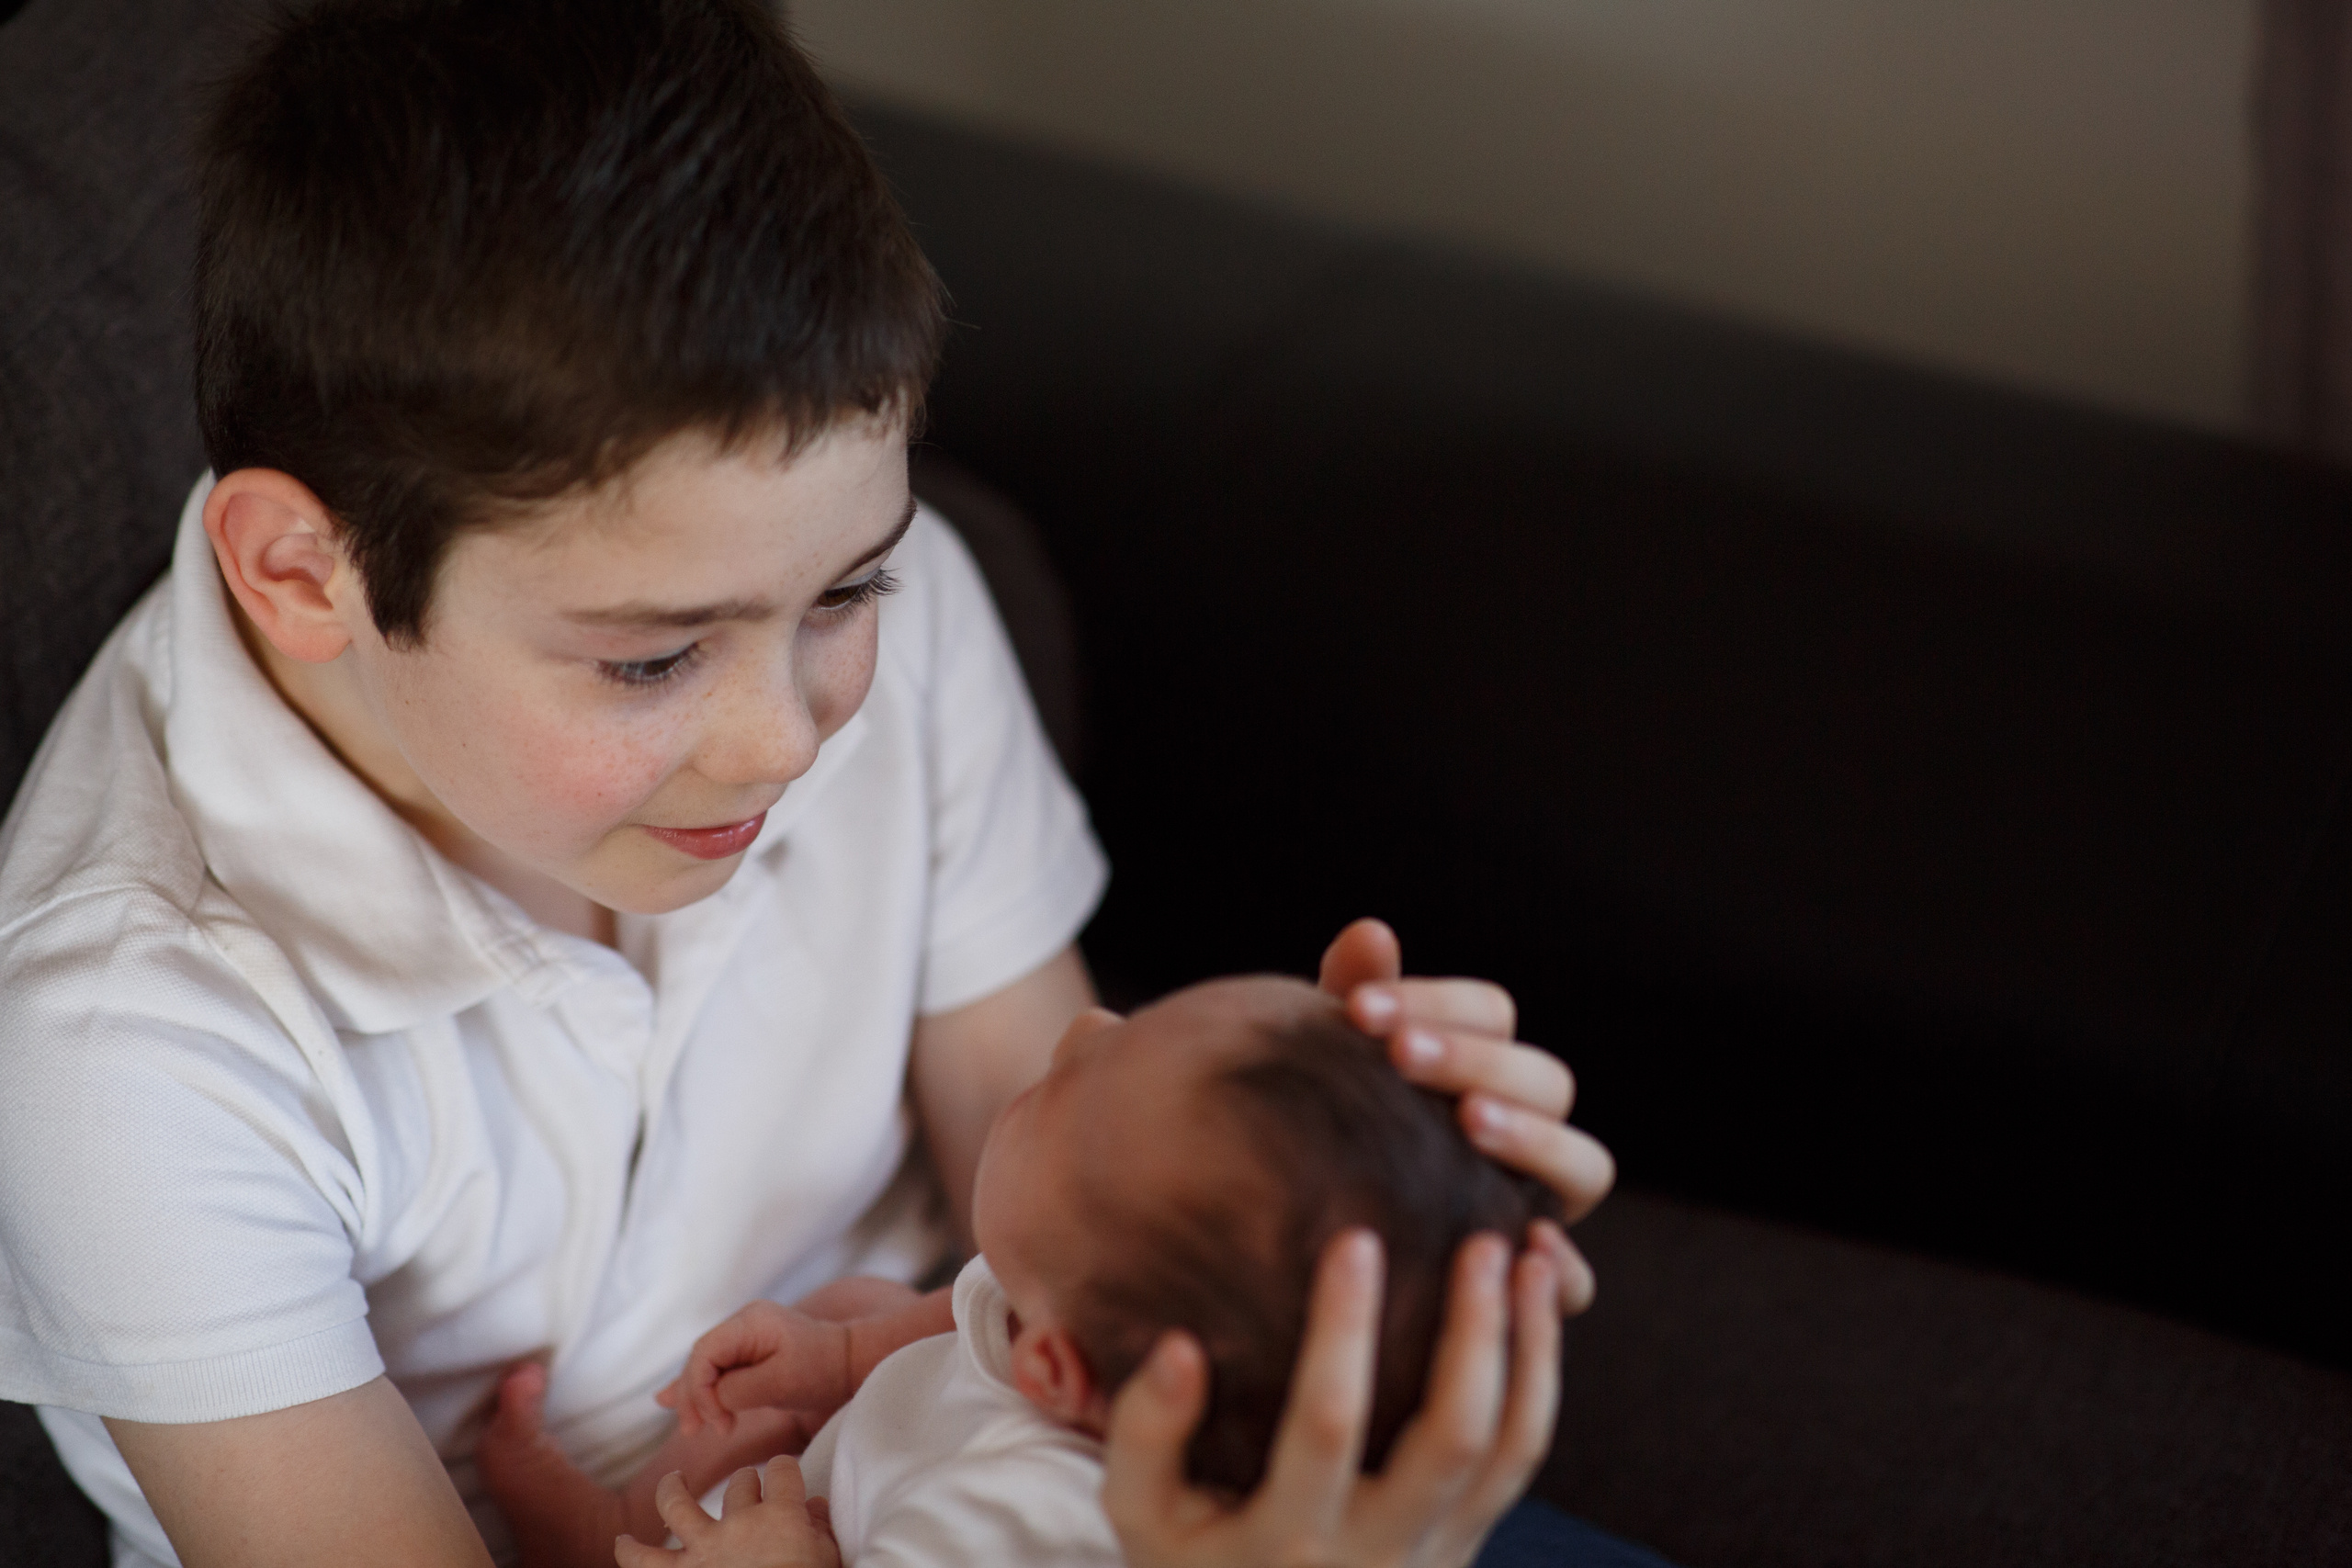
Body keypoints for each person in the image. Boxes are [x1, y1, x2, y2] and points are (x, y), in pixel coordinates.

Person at [0, 3, 1616, 1566]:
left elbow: (1041, 1175)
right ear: (303, 570)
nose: (793, 739)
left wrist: (1334, 1216)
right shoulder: (128, 1037)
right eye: (651, 660)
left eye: (848, 592)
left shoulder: (882, 623)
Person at [502, 976, 1569, 1566]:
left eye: (1068, 1086)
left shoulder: (1016, 1527)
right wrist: (837, 1356)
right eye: (1130, 1026)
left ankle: (602, 1543)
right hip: (887, 1433)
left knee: (733, 1507)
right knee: (863, 1308)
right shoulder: (1060, 1324)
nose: (1084, 1027)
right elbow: (956, 1320)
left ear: (1053, 1371)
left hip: (826, 1527)